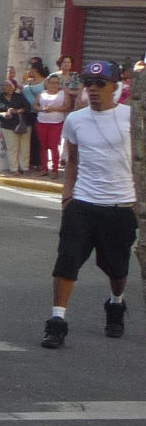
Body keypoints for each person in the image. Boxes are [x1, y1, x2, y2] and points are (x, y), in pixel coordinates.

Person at [43, 59, 134, 347]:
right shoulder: (75, 120)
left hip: (121, 204)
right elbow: (72, 161)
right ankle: (57, 321)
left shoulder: (131, 118)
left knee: (117, 267)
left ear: (114, 87)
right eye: (88, 84)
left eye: (100, 84)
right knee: (67, 260)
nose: (93, 90)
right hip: (82, 202)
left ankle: (116, 303)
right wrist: (67, 194)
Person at [0, 70, 35, 174]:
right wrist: (3, 114)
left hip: (23, 124)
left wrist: (16, 111)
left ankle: (25, 168)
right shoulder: (0, 98)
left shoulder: (19, 96)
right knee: (12, 148)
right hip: (8, 125)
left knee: (25, 147)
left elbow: (28, 108)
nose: (7, 87)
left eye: (9, 85)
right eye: (5, 85)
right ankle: (14, 168)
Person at [35, 72, 71, 174]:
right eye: (52, 83)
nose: (54, 85)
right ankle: (44, 168)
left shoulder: (63, 94)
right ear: (47, 83)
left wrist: (53, 109)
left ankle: (55, 169)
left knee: (54, 146)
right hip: (42, 122)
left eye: (56, 83)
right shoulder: (42, 93)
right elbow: (35, 105)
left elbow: (67, 107)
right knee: (43, 146)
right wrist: (41, 108)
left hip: (56, 123)